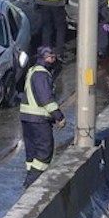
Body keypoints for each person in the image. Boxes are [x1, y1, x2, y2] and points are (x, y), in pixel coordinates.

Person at [18, 47, 65, 184]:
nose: (54, 60)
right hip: (38, 120)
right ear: (46, 58)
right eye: (52, 57)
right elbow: (46, 99)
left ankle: (31, 179)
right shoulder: (42, 74)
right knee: (45, 152)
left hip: (27, 117)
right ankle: (31, 181)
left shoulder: (32, 70)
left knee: (32, 152)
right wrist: (59, 116)